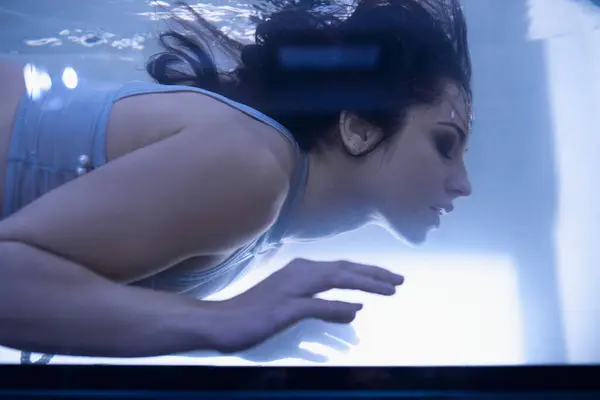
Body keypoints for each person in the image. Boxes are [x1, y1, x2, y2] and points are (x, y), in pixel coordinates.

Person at [0, 0, 472, 363]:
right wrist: (220, 321)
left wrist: (232, 339)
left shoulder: (265, 222)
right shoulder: (254, 170)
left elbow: (83, 305)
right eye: (446, 145)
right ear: (359, 128)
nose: (463, 184)